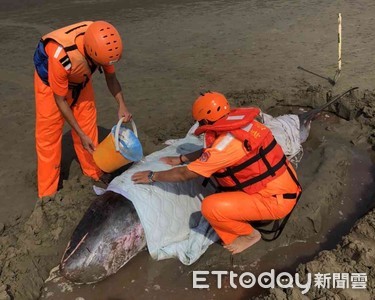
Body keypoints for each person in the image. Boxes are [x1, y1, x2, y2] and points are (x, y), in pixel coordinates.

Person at [131, 91, 301, 254]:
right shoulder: (245, 125)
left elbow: (186, 174)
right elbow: (213, 150)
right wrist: (181, 158)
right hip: (285, 185)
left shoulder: (226, 145)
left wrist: (153, 176)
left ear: (205, 119)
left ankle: (249, 235)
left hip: (274, 200)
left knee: (210, 207)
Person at [33, 20, 132, 198]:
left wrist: (121, 105)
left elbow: (111, 78)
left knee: (88, 127)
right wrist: (79, 133)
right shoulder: (61, 56)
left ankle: (92, 172)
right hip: (51, 86)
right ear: (91, 53)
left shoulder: (103, 41)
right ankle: (47, 194)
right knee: (48, 137)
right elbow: (60, 100)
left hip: (80, 79)